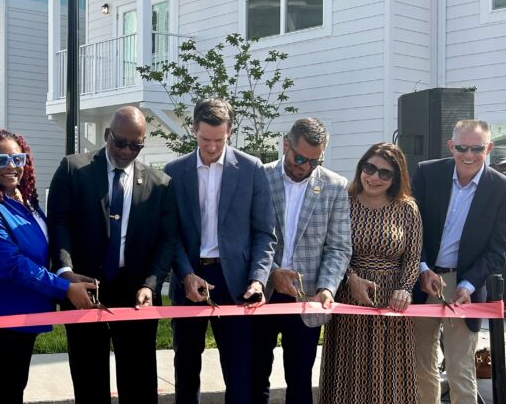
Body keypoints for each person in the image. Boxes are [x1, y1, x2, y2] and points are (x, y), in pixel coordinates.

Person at [47, 106, 179, 404]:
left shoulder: (160, 185)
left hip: (136, 295)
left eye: (137, 145)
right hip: (85, 289)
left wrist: (151, 284)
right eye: (121, 142)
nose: (127, 150)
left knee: (139, 384)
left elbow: (167, 241)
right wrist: (66, 273)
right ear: (108, 135)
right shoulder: (72, 169)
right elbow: (59, 224)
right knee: (89, 381)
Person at [0, 128, 97, 404]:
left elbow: (41, 249)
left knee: (12, 385)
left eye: (18, 159)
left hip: (24, 309)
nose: (12, 166)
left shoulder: (23, 200)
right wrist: (64, 288)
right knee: (7, 386)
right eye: (1, 160)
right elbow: (9, 264)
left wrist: (64, 273)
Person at [164, 98, 276, 404]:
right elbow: (169, 234)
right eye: (204, 139)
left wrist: (257, 279)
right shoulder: (174, 171)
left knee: (238, 371)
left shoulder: (251, 169)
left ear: (230, 132)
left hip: (237, 282)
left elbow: (265, 233)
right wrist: (185, 274)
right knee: (186, 367)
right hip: (188, 276)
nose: (212, 147)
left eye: (219, 140)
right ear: (193, 130)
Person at [412, 119, 506, 404]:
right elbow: (411, 227)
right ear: (451, 146)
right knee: (420, 367)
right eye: (462, 148)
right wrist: (422, 269)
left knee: (460, 370)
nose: (469, 155)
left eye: (477, 148)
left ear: (489, 148)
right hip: (424, 280)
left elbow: (499, 248)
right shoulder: (427, 173)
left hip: (465, 285)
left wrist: (469, 284)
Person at [251, 117, 352, 404]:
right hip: (262, 293)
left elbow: (339, 247)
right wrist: (271, 273)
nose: (305, 167)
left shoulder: (335, 186)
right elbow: (245, 237)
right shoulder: (260, 176)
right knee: (255, 376)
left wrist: (328, 287)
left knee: (299, 381)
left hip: (306, 299)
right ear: (286, 144)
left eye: (314, 161)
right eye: (299, 158)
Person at [319, 142, 422, 404]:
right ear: (361, 167)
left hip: (392, 303)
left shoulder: (407, 208)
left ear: (396, 178)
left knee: (390, 372)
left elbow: (412, 257)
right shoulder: (344, 200)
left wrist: (405, 289)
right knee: (348, 368)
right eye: (370, 168)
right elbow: (331, 247)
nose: (374, 177)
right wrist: (350, 277)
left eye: (385, 173)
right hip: (349, 297)